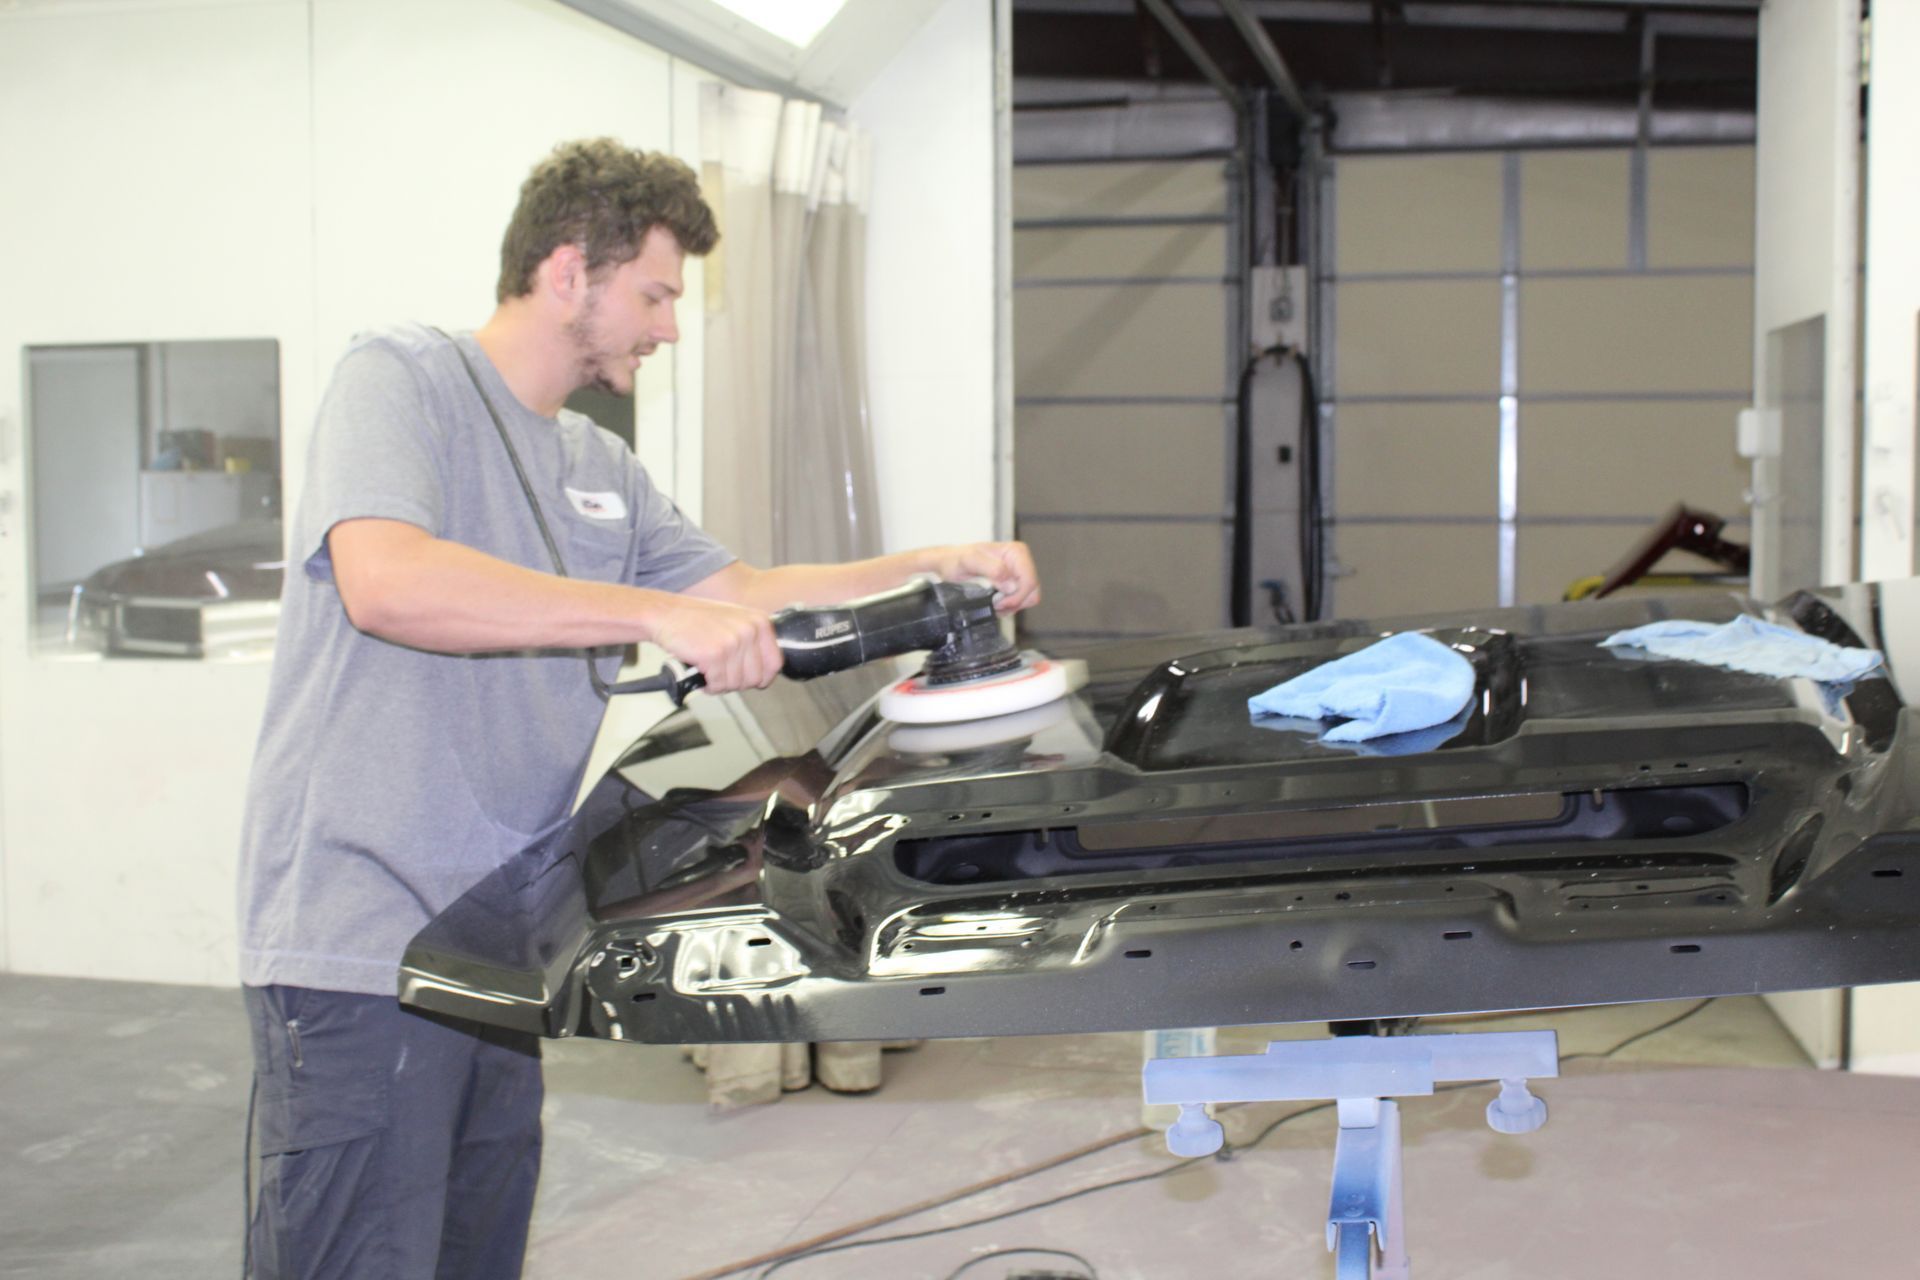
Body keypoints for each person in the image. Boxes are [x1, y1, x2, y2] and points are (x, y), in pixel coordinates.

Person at [235, 136, 1039, 1279]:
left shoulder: (598, 465)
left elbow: (743, 594)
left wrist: (937, 565)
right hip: (359, 942)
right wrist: (650, 616)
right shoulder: (402, 378)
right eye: (656, 292)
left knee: (475, 1251)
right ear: (569, 272)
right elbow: (386, 579)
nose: (668, 324)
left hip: (494, 942)